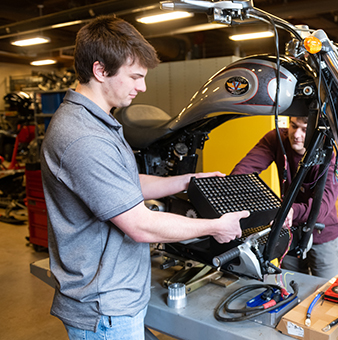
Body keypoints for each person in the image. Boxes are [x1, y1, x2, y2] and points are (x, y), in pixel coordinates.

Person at [40, 16, 248, 340]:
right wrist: (215, 226)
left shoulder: (98, 122)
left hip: (115, 298)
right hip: (104, 309)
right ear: (100, 71)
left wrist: (187, 180)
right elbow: (140, 225)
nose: (143, 87)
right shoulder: (82, 137)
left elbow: (123, 185)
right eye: (135, 76)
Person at [231, 116, 338, 279]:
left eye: (304, 130)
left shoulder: (329, 158)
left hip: (321, 233)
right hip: (287, 232)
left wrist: (290, 211)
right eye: (293, 126)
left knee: (326, 291)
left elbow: (322, 207)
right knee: (290, 286)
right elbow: (242, 173)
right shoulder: (276, 139)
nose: (296, 134)